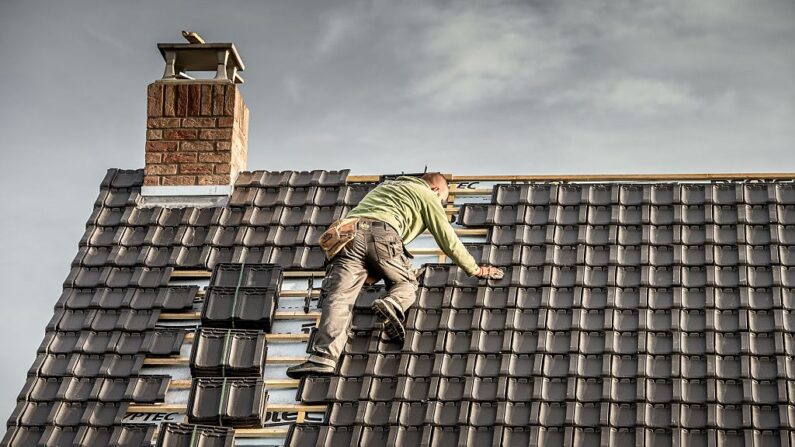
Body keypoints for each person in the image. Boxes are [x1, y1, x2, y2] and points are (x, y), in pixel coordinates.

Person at [286, 173, 503, 378]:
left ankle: (323, 357)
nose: (442, 204)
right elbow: (447, 238)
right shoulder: (427, 194)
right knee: (406, 281)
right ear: (436, 189)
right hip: (382, 234)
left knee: (339, 297)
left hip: (347, 235)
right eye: (443, 200)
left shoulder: (387, 186)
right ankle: (393, 303)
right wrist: (475, 269)